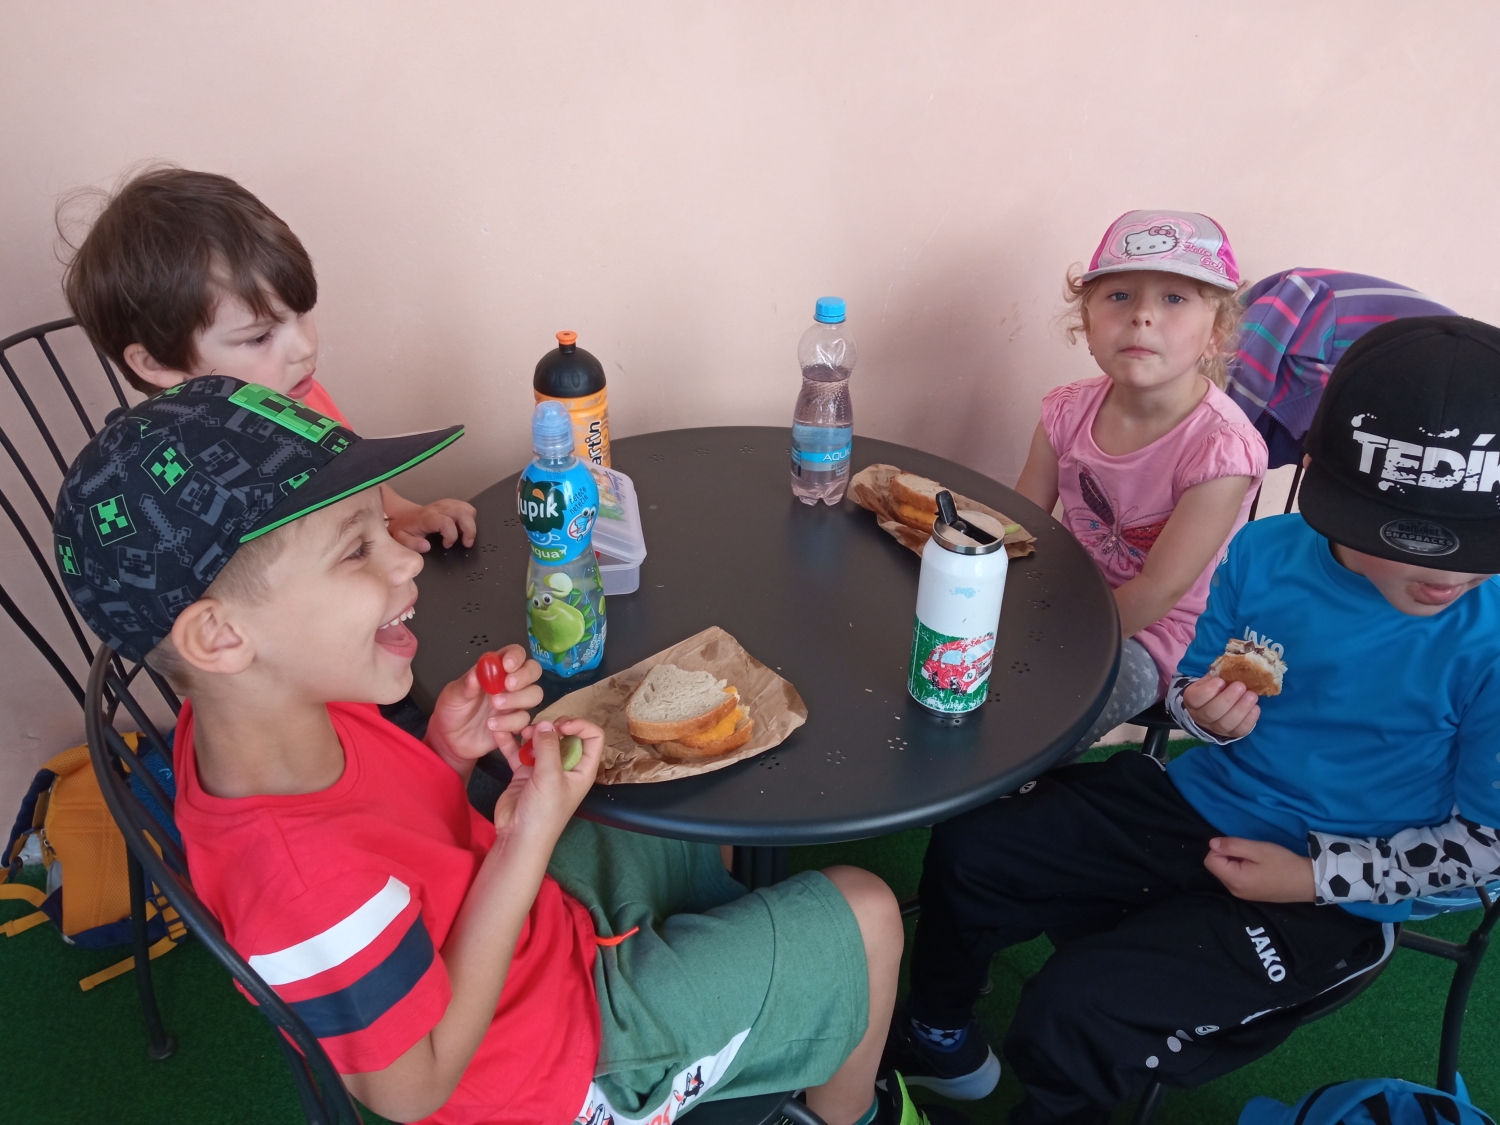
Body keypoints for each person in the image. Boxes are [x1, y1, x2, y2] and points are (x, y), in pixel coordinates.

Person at [51, 376, 956, 1125]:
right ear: (219, 637)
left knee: (666, 792)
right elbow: (412, 1087)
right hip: (554, 1069)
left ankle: (740, 996)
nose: (404, 559)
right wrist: (524, 843)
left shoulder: (273, 713)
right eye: (356, 551)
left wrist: (446, 752)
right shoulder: (296, 883)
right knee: (868, 912)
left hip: (539, 941)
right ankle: (848, 1110)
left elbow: (394, 847)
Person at [888, 316, 1500, 1125]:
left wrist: (1313, 875)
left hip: (1336, 895)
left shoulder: (1489, 634)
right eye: (1413, 539)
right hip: (1197, 800)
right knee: (974, 848)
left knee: (1080, 1007)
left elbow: (1488, 845)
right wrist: (1206, 714)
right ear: (1328, 485)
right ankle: (940, 1034)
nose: (1450, 571)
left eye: (1481, 540)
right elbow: (1190, 689)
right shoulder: (1267, 552)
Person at [60, 165, 477, 554]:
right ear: (157, 364)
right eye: (259, 337)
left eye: (302, 314)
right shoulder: (180, 484)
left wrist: (401, 513)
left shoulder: (295, 399)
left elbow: (354, 479)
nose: (305, 348)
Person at [1013, 210, 1267, 764]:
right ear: (1088, 323)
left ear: (1215, 335)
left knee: (1054, 716)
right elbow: (1020, 526)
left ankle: (1019, 786)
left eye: (1174, 299)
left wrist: (1053, 640)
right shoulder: (1065, 411)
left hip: (1157, 633)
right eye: (1120, 296)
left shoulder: (1221, 450)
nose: (1142, 315)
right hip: (1065, 592)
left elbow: (1159, 591)